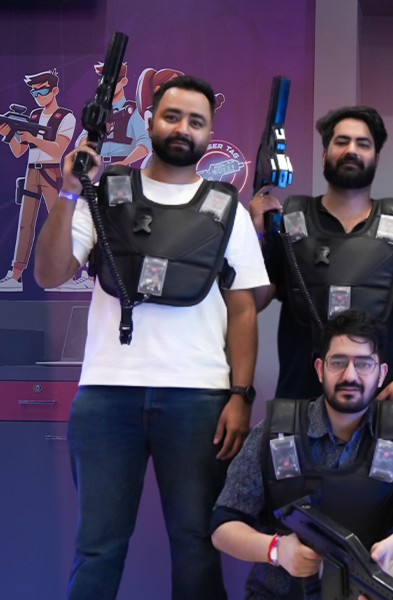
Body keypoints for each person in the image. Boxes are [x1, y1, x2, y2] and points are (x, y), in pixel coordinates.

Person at [34, 75, 268, 600]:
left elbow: (244, 308)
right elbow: (49, 273)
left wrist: (241, 394)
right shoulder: (104, 193)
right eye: (172, 116)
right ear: (151, 119)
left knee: (196, 543)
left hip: (199, 398)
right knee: (97, 547)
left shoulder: (225, 208)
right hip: (105, 395)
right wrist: (71, 190)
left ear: (209, 133)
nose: (182, 128)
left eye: (196, 121)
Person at [211, 308, 393, 600]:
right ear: (320, 369)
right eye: (338, 362)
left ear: (381, 374)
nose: (350, 375)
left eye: (364, 364)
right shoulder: (277, 431)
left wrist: (387, 551)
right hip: (285, 593)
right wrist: (276, 549)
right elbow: (222, 525)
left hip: (368, 589)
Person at [251, 106, 393, 407]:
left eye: (363, 144)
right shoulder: (287, 225)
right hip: (301, 399)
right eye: (341, 142)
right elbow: (255, 302)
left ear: (376, 158)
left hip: (380, 401)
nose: (351, 150)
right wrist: (257, 235)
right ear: (324, 154)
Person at [0, 68, 80, 292]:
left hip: (51, 172)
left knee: (58, 226)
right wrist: (8, 134)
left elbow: (58, 149)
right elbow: (19, 151)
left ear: (54, 90)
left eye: (42, 90)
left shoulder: (65, 117)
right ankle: (15, 275)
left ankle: (67, 277)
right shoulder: (33, 116)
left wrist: (33, 137)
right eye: (34, 92)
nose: (38, 95)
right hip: (31, 173)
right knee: (25, 225)